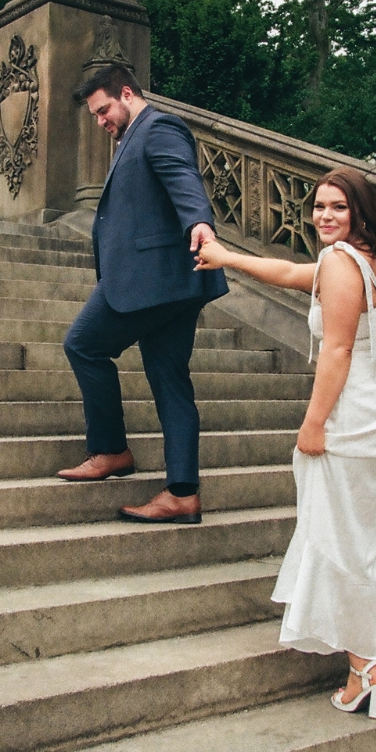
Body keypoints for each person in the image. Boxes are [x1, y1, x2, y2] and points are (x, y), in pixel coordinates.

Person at [194, 166, 376, 721]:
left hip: (359, 413)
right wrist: (226, 257)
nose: (324, 215)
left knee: (342, 539)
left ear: (360, 214)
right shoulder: (358, 261)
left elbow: (338, 352)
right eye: (318, 206)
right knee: (349, 541)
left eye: (337, 207)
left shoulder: (343, 263)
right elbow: (290, 271)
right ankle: (366, 673)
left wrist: (314, 423)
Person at [58, 63, 227, 525]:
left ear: (128, 93)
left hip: (151, 279)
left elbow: (184, 181)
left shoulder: (160, 128)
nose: (100, 122)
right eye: (94, 115)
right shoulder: (131, 136)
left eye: (104, 110)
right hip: (172, 283)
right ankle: (182, 492)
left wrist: (200, 223)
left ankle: (111, 449)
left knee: (83, 345)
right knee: (170, 378)